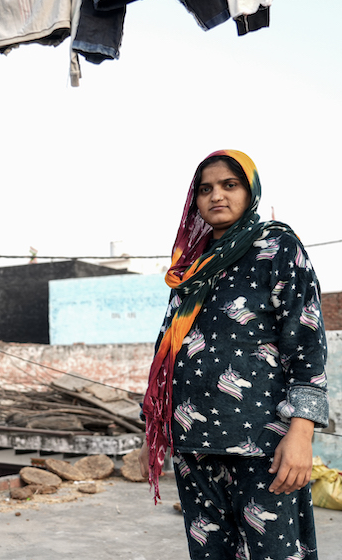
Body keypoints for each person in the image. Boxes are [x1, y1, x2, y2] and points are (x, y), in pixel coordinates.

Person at [138, 150, 328, 560]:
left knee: (275, 554)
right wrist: (152, 431)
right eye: (205, 189)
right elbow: (167, 349)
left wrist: (301, 433)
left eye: (230, 185)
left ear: (250, 190)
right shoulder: (191, 266)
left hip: (261, 440)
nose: (216, 196)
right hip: (193, 441)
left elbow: (307, 340)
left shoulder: (277, 245)